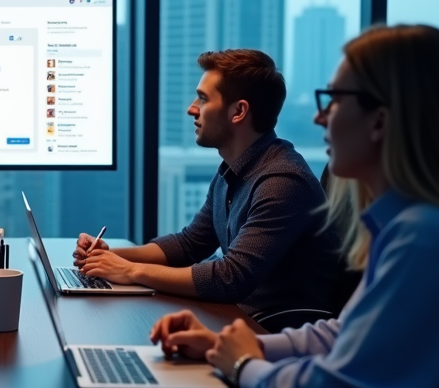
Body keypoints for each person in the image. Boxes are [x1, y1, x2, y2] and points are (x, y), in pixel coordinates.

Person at [150, 25, 439, 388]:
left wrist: (245, 367)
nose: (318, 116)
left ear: (381, 120)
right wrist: (242, 346)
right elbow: (345, 332)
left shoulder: (427, 239)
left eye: (333, 99)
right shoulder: (411, 226)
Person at [75, 49, 339, 318]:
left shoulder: (283, 182)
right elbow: (189, 244)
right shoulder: (234, 171)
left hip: (267, 332)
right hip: (234, 318)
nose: (192, 108)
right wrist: (111, 257)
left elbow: (231, 278)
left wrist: (130, 271)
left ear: (238, 111)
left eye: (203, 99)